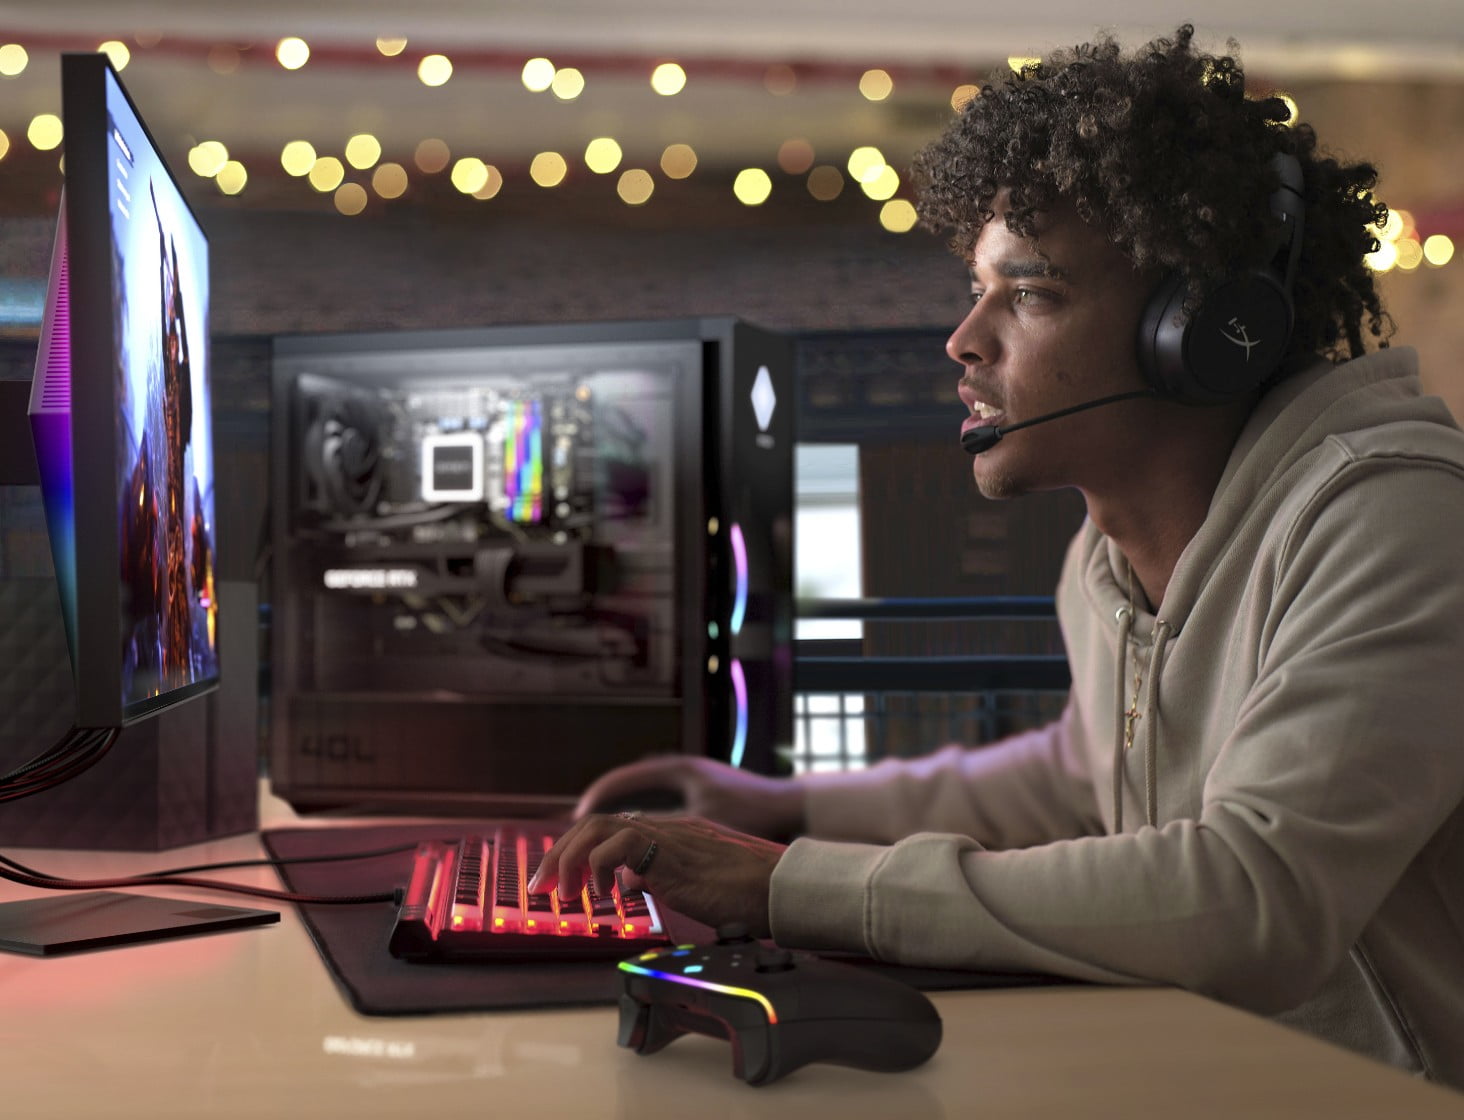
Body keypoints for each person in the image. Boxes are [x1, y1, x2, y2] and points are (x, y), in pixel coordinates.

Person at [529, 25, 1464, 1087]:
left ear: (1205, 331)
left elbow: (1258, 896)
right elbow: (1071, 781)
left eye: (1030, 294)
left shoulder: (1396, 517)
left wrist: (789, 884)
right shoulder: (1111, 556)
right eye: (979, 289)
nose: (964, 340)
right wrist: (779, 806)